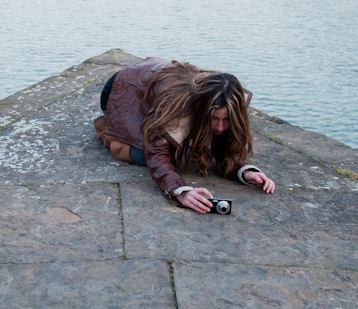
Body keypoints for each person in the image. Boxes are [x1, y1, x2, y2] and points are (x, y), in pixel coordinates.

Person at [94, 57, 275, 214]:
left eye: (226, 120)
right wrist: (180, 190)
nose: (220, 127)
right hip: (120, 89)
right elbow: (156, 153)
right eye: (214, 119)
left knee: (178, 145)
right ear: (203, 110)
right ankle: (108, 130)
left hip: (151, 79)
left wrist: (244, 170)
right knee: (149, 153)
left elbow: (225, 146)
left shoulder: (227, 97)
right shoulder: (177, 106)